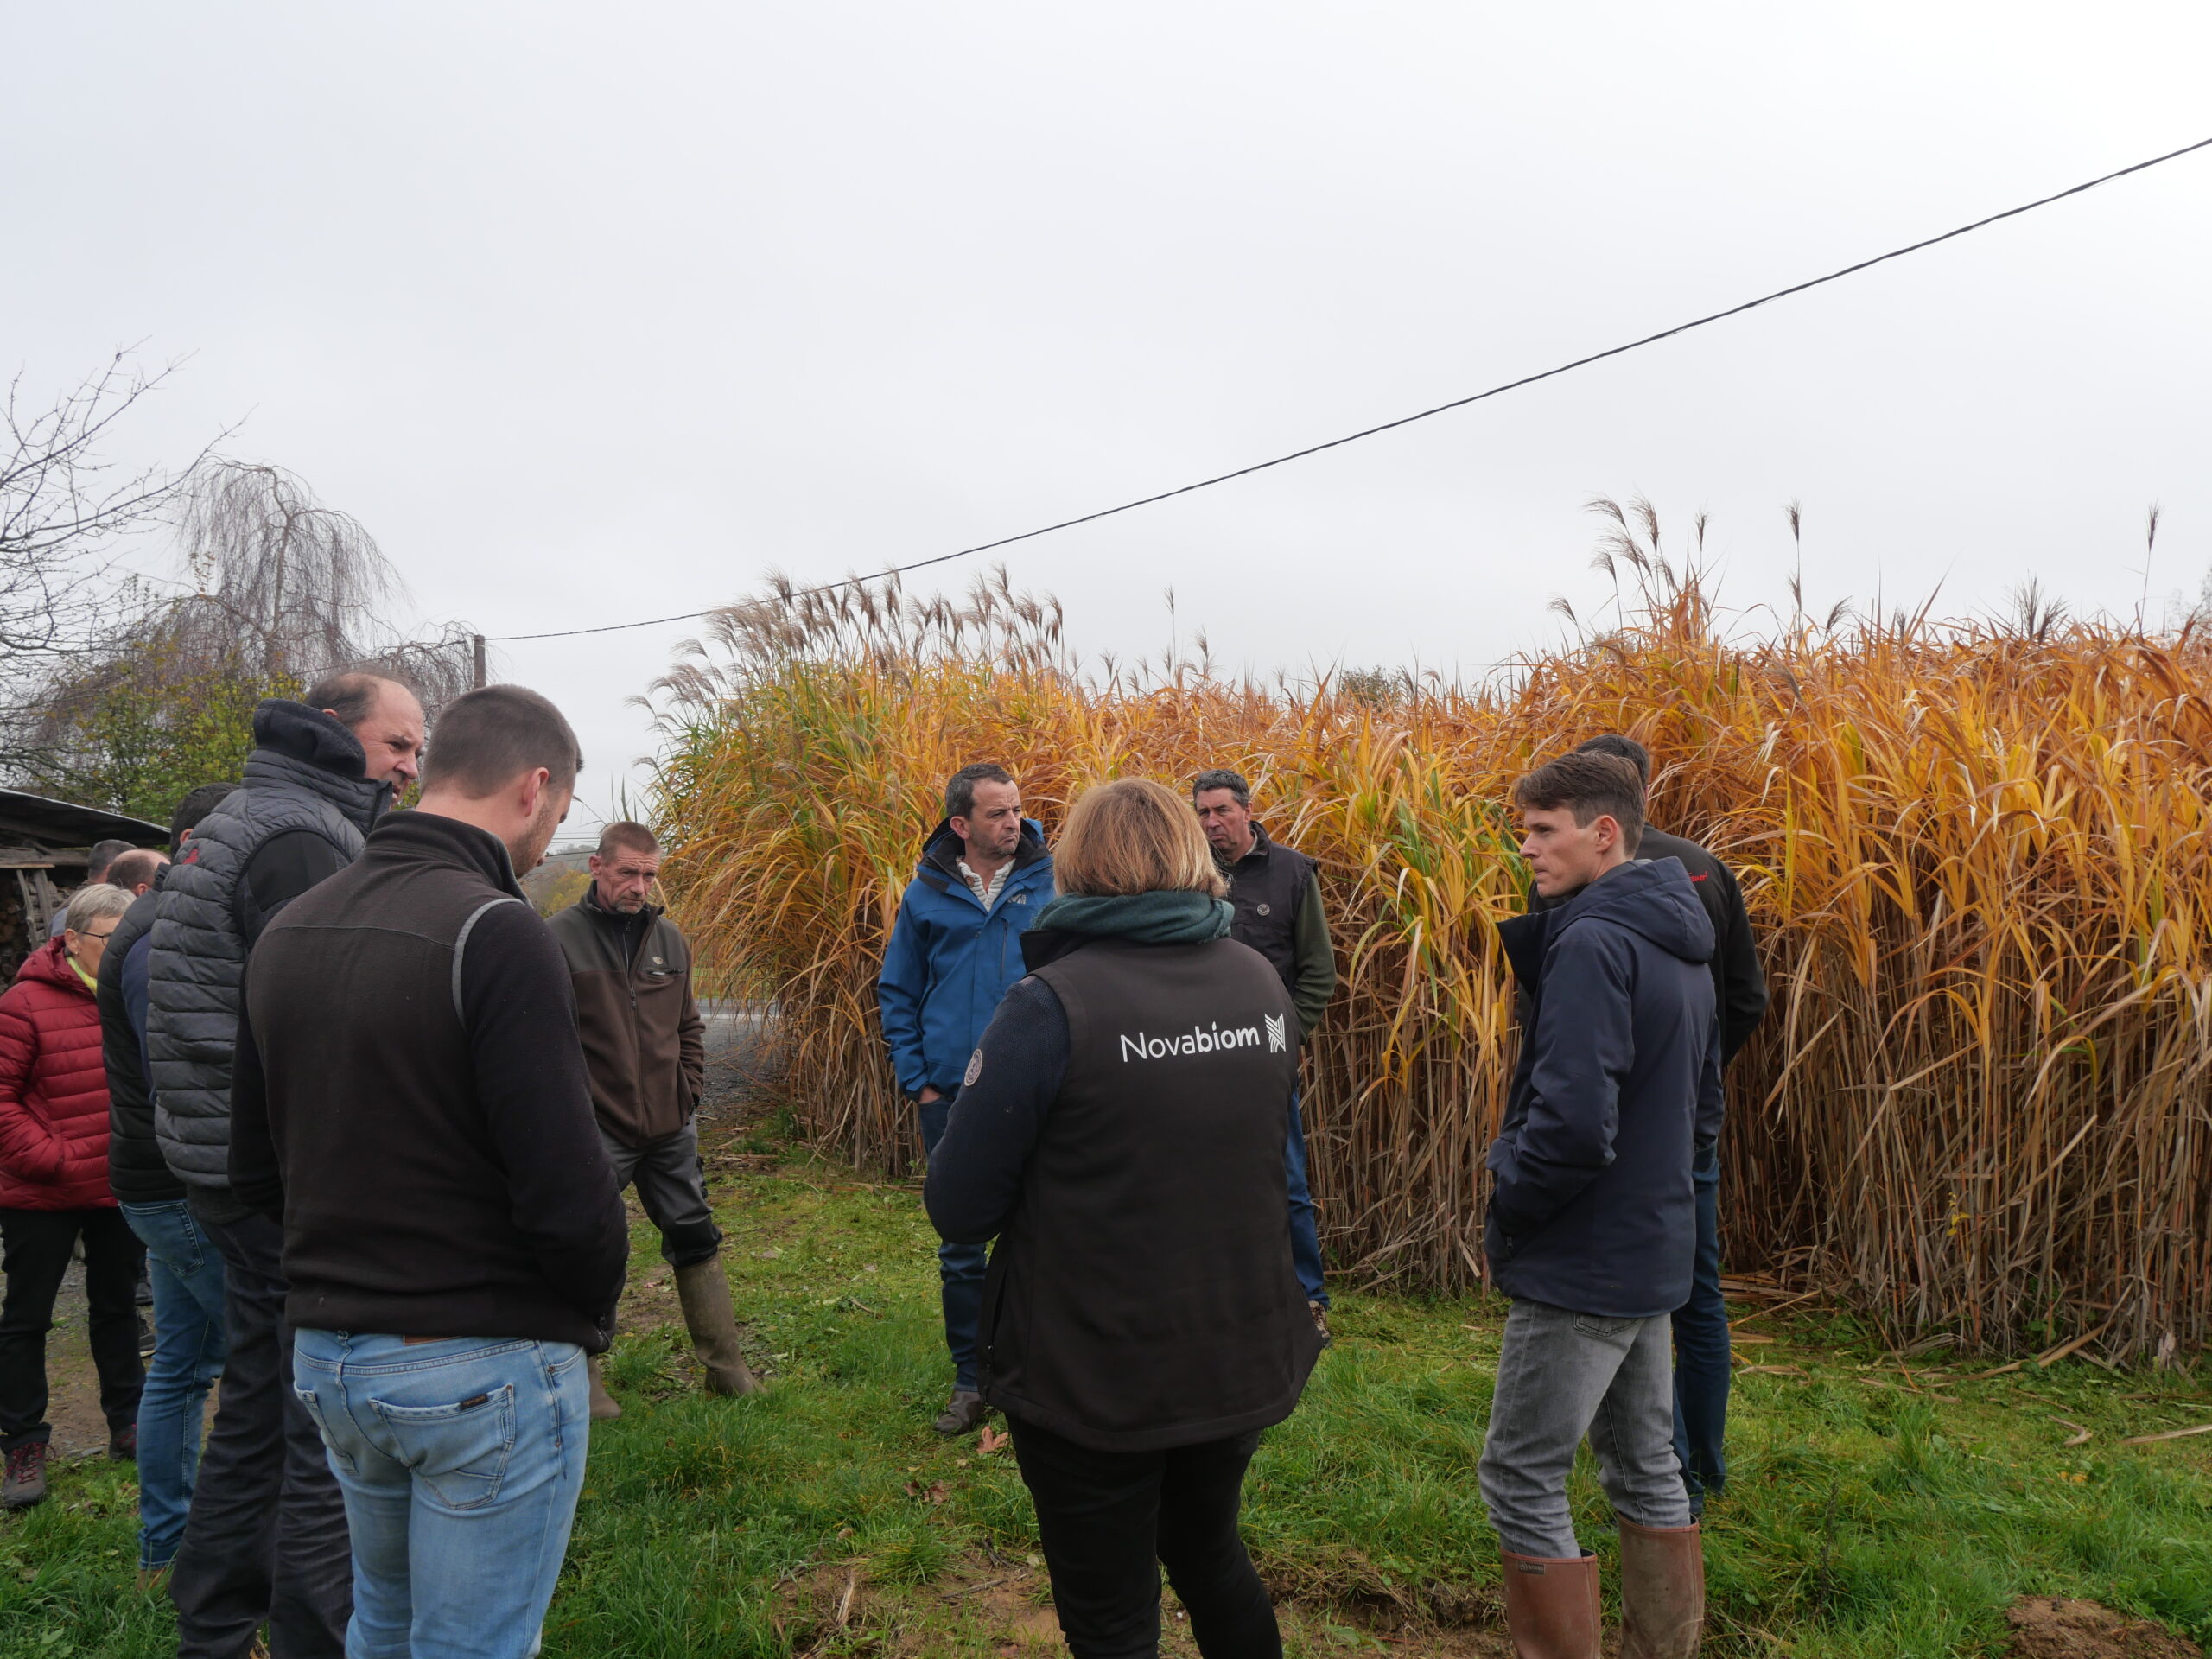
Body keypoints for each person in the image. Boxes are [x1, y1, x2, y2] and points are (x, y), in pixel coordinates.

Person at [229, 683, 627, 1659]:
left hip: (332, 1358)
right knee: (475, 1645)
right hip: (476, 1358)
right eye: (560, 816)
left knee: (385, 1627)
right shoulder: (496, 929)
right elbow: (566, 1188)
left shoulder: (291, 927)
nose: (546, 845)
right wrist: (586, 1315)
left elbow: (250, 1169)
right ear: (535, 788)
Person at [925, 777, 1324, 1659]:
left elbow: (959, 1205)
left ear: (1081, 868)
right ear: (1188, 852)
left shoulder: (1051, 1003)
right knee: (1208, 1551)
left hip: (1094, 1370)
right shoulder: (1256, 981)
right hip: (1234, 1351)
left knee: (1110, 1612)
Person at [148, 673, 424, 1658]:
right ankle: (317, 1631)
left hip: (222, 1159)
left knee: (262, 1400)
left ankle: (216, 1623)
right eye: (398, 745)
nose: (409, 768)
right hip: (271, 1168)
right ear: (337, 735)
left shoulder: (257, 814)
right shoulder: (298, 839)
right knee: (321, 1418)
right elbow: (332, 1017)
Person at [1480, 751, 1719, 1659]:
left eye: (1544, 831)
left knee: (1519, 1475)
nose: (1529, 850)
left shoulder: (1592, 939)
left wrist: (1514, 1204)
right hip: (1651, 1241)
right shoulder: (1678, 933)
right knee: (1645, 1464)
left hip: (1584, 1255)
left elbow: (1573, 1123)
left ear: (1603, 832)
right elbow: (1704, 1105)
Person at [1568, 734, 1765, 1520]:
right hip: (1693, 1127)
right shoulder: (1706, 870)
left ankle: (1648, 1464)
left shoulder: (1584, 877)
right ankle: (1699, 1466)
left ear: (1602, 811)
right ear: (1650, 786)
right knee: (1698, 1295)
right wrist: (1697, 1075)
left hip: (1619, 1126)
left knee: (1614, 1290)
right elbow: (1745, 998)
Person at [549, 819, 758, 1421]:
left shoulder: (670, 940)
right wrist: (576, 1112)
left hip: (670, 1127)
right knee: (584, 1244)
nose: (639, 886)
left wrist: (687, 1089)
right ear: (596, 868)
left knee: (695, 1235)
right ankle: (584, 1384)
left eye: (649, 874)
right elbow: (547, 1039)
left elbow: (689, 1027)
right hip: (597, 1129)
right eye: (627, 873)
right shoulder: (556, 940)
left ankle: (727, 1370)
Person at [878, 761, 1055, 1436]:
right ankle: (970, 1380)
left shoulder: (1050, 884)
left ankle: (1033, 1378)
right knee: (961, 1241)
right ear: (961, 824)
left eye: (1016, 810)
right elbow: (898, 991)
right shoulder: (926, 894)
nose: (1014, 822)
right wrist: (919, 1082)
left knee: (1043, 1233)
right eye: (997, 814)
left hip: (1037, 1087)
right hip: (950, 1096)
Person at [102, 785, 233, 1586]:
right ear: (195, 841)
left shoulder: (161, 924)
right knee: (275, 1358)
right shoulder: (159, 938)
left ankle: (167, 1550)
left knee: (184, 1362)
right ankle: (249, 1562)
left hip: (161, 1180)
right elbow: (177, 1079)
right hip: (176, 1185)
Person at [0, 884, 143, 1510]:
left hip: (118, 1186)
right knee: (28, 1318)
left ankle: (129, 1421)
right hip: (42, 1192)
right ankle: (24, 1440)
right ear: (74, 939)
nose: (125, 951)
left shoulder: (133, 993)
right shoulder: (23, 1004)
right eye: (114, 939)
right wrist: (54, 1159)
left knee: (117, 1309)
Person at [1192, 769, 1338, 1327]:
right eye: (1203, 813)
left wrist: (1286, 1043)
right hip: (1196, 1059)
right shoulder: (1188, 875)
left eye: (1222, 811)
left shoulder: (1293, 874)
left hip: (1265, 1064)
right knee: (1203, 1180)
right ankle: (1218, 1295)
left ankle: (1308, 1299)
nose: (1212, 824)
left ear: (1248, 811)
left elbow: (1318, 971)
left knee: (1287, 1180)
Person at [50, 838, 137, 938]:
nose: (137, 877)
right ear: (111, 870)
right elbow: (62, 951)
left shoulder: (107, 902)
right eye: (132, 870)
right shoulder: (69, 913)